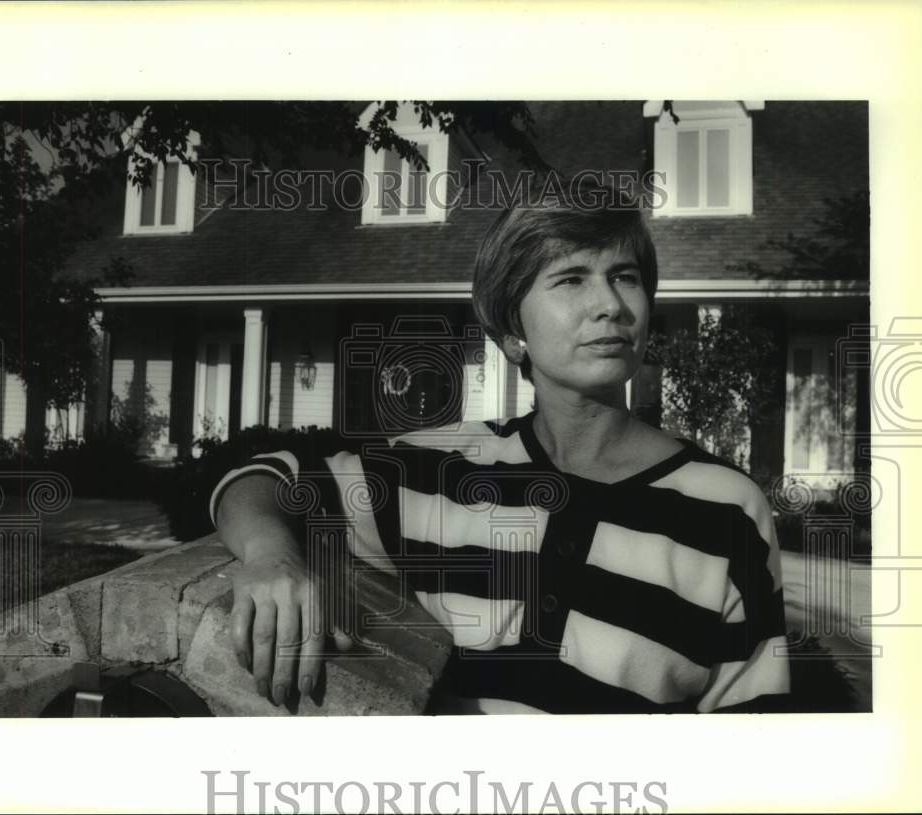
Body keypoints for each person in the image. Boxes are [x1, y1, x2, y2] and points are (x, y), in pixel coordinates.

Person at [211, 186, 791, 714]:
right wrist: (271, 557)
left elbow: (751, 736)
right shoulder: (436, 470)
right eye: (570, 279)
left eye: (625, 276)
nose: (610, 304)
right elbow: (264, 479)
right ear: (513, 331)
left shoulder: (727, 508)